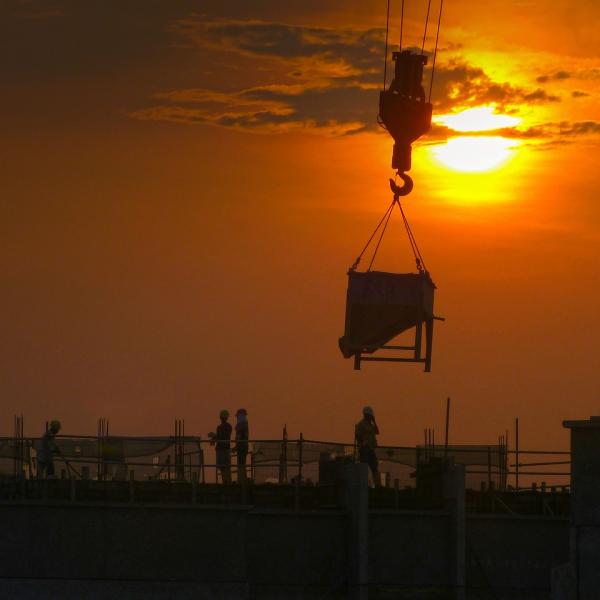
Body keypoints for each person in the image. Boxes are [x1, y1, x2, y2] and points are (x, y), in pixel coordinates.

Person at [355, 406, 381, 487]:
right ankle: (364, 485)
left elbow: (377, 432)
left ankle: (377, 485)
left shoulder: (371, 425)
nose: (371, 417)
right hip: (364, 449)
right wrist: (363, 442)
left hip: (371, 449)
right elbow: (357, 435)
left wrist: (374, 422)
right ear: (366, 415)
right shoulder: (361, 424)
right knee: (364, 467)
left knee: (374, 467)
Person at [209, 410, 232, 484]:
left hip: (224, 449)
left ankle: (227, 482)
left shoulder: (228, 427)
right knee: (223, 468)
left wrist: (214, 436)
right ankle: (225, 482)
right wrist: (213, 439)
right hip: (221, 449)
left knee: (225, 467)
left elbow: (223, 437)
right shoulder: (220, 427)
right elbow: (220, 437)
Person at [235, 408, 249, 483]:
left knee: (241, 464)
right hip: (242, 447)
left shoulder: (242, 426)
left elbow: (239, 437)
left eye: (238, 416)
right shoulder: (244, 425)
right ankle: (242, 480)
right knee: (242, 464)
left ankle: (242, 480)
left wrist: (236, 447)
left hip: (242, 447)